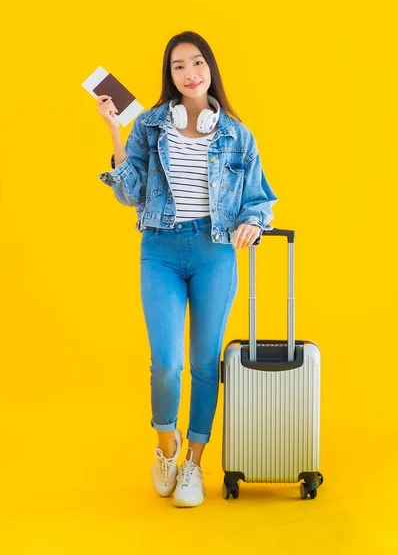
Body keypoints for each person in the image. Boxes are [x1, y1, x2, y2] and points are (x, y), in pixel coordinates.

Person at [97, 31, 278, 507]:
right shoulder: (151, 125)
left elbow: (260, 201)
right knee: (166, 363)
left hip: (214, 251)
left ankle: (194, 465)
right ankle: (167, 447)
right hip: (159, 248)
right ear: (170, 75)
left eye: (197, 63)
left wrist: (253, 224)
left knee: (202, 363)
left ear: (211, 68)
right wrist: (115, 129)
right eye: (179, 66)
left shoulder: (238, 135)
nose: (190, 73)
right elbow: (130, 191)